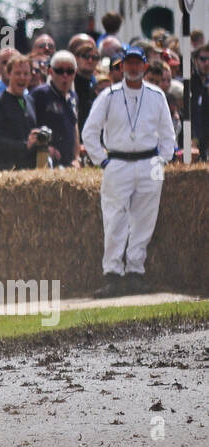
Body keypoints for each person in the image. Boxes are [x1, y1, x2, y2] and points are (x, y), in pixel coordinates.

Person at [81, 45, 178, 296]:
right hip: (118, 162)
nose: (133, 68)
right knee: (114, 217)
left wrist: (162, 162)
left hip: (149, 162)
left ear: (145, 66)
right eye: (129, 63)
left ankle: (135, 272)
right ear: (121, 66)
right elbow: (89, 132)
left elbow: (168, 135)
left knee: (144, 218)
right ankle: (113, 273)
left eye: (138, 63)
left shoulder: (157, 96)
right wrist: (102, 160)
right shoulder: (109, 95)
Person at [0, 53, 43, 170]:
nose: (22, 77)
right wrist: (24, 145)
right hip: (9, 170)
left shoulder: (30, 100)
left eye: (26, 74)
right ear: (8, 74)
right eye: (17, 73)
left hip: (31, 169)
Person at [30, 51, 81, 167]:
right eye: (59, 71)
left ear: (75, 73)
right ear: (50, 72)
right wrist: (43, 147)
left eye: (70, 71)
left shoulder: (73, 97)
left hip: (68, 163)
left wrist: (77, 157)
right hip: (46, 161)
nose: (65, 76)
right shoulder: (40, 94)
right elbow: (28, 126)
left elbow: (74, 126)